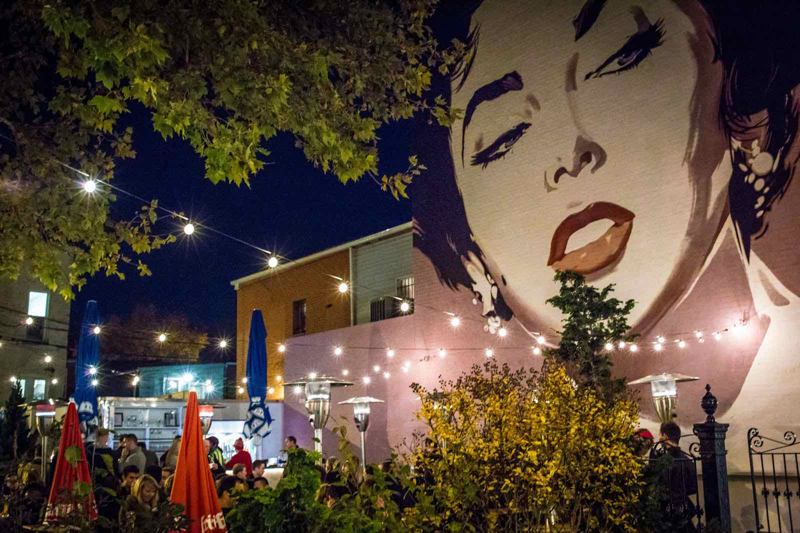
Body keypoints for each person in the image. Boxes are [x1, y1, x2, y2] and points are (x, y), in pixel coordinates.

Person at [415, 0, 800, 463]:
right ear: (473, 260)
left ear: (739, 112)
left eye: (625, 55)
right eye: (504, 137)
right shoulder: (528, 445)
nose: (570, 155)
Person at [651, 422, 698, 531]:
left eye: (660, 434)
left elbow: (658, 485)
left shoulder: (664, 461)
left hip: (666, 511)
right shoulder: (686, 460)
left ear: (664, 436)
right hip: (683, 507)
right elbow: (693, 487)